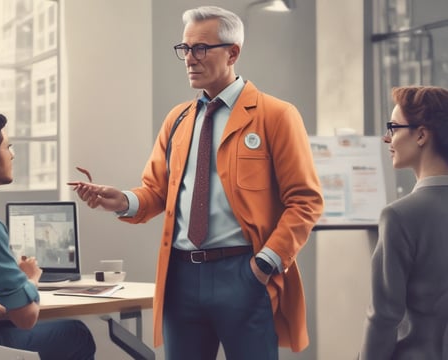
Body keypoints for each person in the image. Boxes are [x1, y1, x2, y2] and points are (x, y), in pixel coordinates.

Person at [69, 6, 323, 359]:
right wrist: (122, 200)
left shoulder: (276, 116)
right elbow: (157, 192)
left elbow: (306, 202)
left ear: (233, 53)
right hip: (181, 277)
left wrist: (263, 265)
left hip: (243, 273)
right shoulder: (177, 120)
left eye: (201, 49)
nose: (190, 58)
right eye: (185, 49)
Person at [0, 113, 96, 360]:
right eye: (8, 147)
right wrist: (30, 278)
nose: (13, 155)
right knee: (76, 334)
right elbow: (26, 318)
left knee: (8, 327)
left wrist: (2, 302)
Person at [359, 86, 448, 359]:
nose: (388, 139)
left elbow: (384, 318)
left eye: (394, 128)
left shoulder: (399, 216)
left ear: (421, 134)